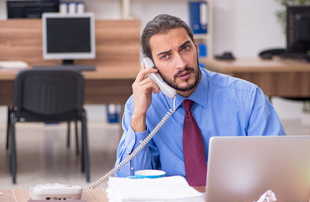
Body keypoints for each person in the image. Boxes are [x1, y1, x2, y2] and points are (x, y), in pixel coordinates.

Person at [115, 14, 286, 181]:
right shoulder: (140, 106)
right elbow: (128, 181)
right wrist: (139, 117)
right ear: (150, 66)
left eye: (185, 48)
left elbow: (280, 167)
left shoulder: (247, 98)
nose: (181, 64)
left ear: (196, 47)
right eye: (166, 56)